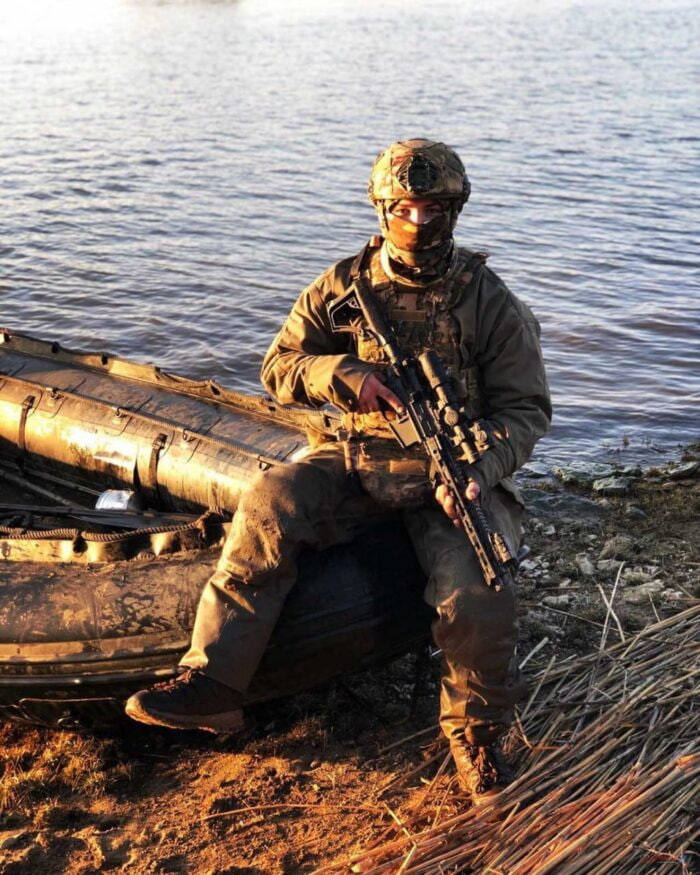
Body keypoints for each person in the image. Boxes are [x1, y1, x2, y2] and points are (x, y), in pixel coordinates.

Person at [126, 139, 552, 805]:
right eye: (404, 207)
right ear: (383, 208)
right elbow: (279, 367)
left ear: (455, 210)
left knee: (478, 591)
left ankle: (477, 737)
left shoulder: (488, 301)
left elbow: (525, 410)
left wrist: (480, 465)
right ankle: (213, 683)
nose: (418, 221)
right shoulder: (342, 287)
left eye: (433, 208)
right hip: (355, 456)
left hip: (450, 470)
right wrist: (342, 374)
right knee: (270, 500)